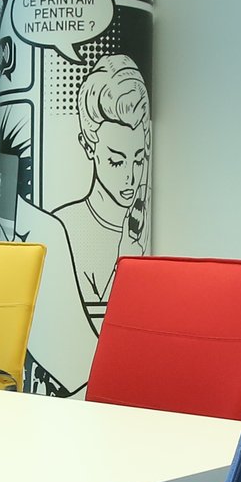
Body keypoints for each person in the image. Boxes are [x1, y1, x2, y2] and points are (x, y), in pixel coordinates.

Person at [52, 56, 150, 320]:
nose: (131, 176)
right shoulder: (63, 230)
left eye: (139, 158)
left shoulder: (140, 227)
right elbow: (90, 332)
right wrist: (125, 263)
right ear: (88, 145)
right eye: (116, 161)